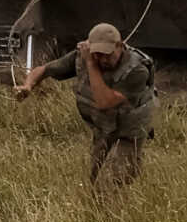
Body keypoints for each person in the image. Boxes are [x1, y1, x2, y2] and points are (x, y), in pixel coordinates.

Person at [16, 20, 155, 185]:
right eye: (97, 54)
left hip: (128, 133)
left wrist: (90, 63)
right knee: (95, 179)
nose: (102, 59)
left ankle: (126, 176)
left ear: (120, 45)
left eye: (107, 54)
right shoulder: (84, 56)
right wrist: (28, 85)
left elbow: (104, 102)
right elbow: (44, 70)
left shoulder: (137, 70)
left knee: (109, 185)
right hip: (104, 129)